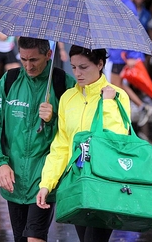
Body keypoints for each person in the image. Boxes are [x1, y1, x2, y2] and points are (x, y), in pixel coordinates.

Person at [0, 37, 76, 242]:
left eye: (34, 60)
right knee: (21, 238)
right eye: (23, 59)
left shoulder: (63, 83)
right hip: (13, 180)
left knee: (34, 237)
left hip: (45, 179)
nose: (28, 65)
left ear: (48, 55)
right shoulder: (9, 80)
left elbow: (76, 131)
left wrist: (54, 117)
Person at [36, 45, 131, 242]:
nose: (77, 73)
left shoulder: (117, 95)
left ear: (100, 64)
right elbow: (61, 146)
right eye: (73, 67)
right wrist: (46, 183)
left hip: (105, 183)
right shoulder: (68, 98)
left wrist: (108, 103)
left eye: (83, 67)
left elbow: (117, 138)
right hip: (76, 184)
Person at [106, 0, 152, 127]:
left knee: (115, 85)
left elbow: (134, 32)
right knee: (118, 84)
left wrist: (133, 55)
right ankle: (141, 107)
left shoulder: (126, 7)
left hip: (121, 55)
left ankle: (125, 112)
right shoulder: (124, 5)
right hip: (119, 54)